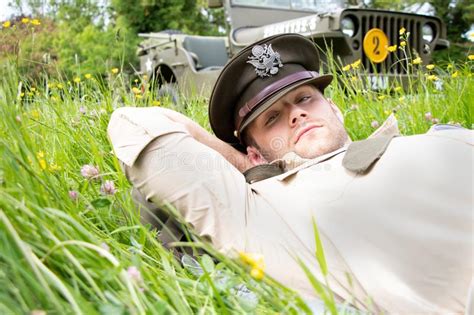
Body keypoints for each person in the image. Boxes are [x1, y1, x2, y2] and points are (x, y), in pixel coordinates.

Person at [108, 33, 473, 314]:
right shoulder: (259, 210)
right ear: (253, 150)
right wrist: (247, 167)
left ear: (334, 109)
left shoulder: (440, 140)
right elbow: (136, 125)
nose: (295, 115)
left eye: (304, 99)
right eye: (272, 119)